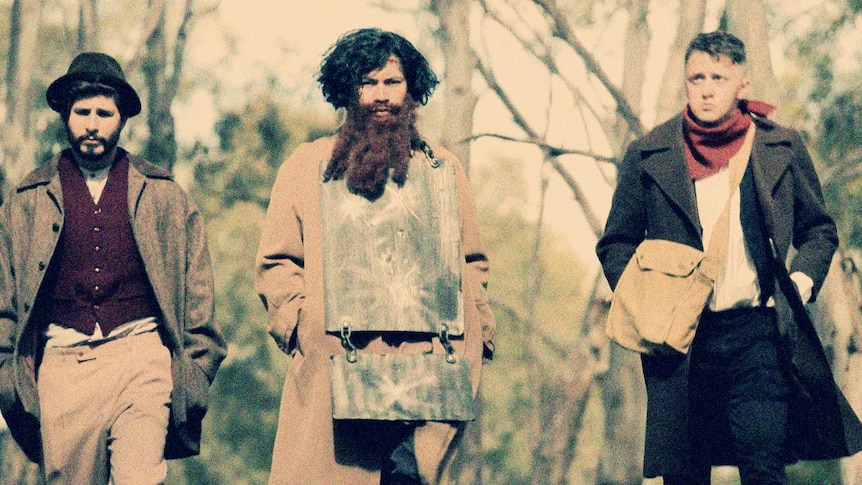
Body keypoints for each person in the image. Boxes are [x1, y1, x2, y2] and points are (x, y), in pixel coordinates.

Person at [596, 31, 862, 485]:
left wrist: (799, 283)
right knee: (685, 473)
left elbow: (818, 230)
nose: (706, 87)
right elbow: (616, 243)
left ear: (743, 83)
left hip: (759, 334)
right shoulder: (648, 154)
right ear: (685, 83)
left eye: (718, 76)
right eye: (696, 76)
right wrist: (649, 300)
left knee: (763, 465)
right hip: (680, 343)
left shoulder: (779, 145)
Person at [255, 28, 495, 484]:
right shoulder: (307, 167)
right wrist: (303, 325)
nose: (380, 96)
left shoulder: (443, 171)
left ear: (412, 90)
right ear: (347, 89)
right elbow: (277, 264)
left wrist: (474, 340)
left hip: (425, 387)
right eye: (367, 83)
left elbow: (472, 265)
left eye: (392, 82)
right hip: (331, 382)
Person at [0, 52, 226, 484]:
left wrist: (195, 372)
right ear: (66, 116)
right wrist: (9, 379)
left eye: (104, 113)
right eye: (82, 111)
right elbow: (4, 302)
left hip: (141, 358)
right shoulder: (26, 202)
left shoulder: (163, 195)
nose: (91, 123)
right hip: (64, 366)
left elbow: (198, 296)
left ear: (121, 119)